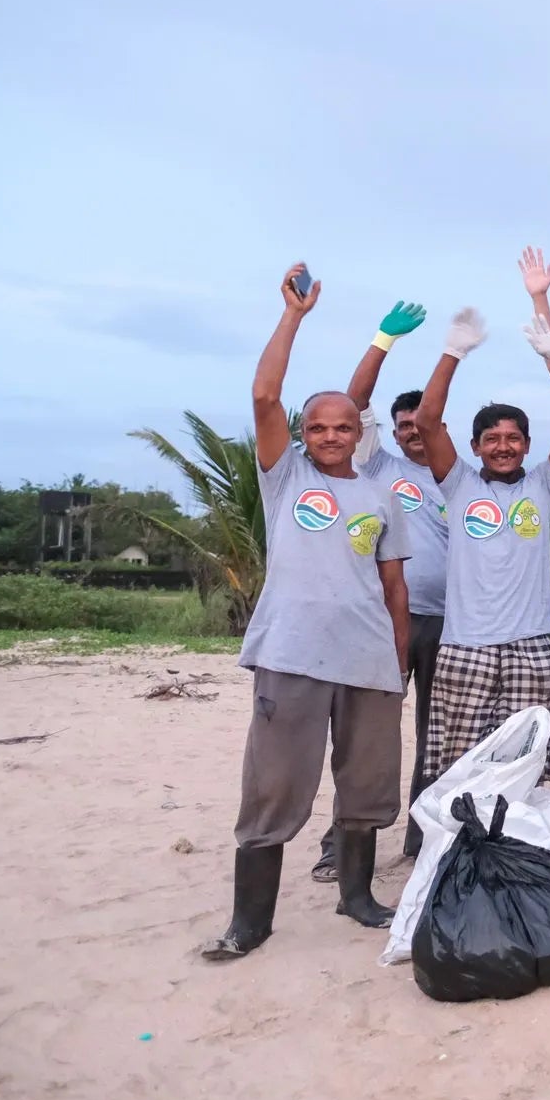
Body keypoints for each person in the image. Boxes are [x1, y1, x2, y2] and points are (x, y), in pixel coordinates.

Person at [202, 266, 411, 961]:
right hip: (291, 654)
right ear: (301, 432)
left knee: (368, 785)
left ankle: (356, 895)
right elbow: (264, 392)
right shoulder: (283, 473)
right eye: (316, 425)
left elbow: (395, 591)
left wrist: (398, 664)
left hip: (369, 660)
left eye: (341, 425)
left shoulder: (382, 495)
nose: (328, 435)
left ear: (359, 432)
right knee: (275, 786)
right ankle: (250, 921)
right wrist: (293, 315)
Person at [412, 249, 550, 791]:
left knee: (525, 765)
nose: (504, 446)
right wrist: (452, 353)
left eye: (514, 438)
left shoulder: (543, 484)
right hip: (465, 644)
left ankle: (515, 858)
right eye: (492, 439)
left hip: (532, 645)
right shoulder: (459, 483)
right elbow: (426, 420)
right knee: (459, 767)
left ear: (527, 445)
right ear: (475, 446)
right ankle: (458, 859)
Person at [309, 298, 443, 882]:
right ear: (389, 432)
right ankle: (339, 845)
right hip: (382, 619)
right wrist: (382, 341)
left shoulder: (453, 476)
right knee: (367, 736)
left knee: (434, 736)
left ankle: (421, 838)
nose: (414, 433)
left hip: (446, 625)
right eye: (405, 426)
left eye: (424, 425)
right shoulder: (374, 467)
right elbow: (351, 404)